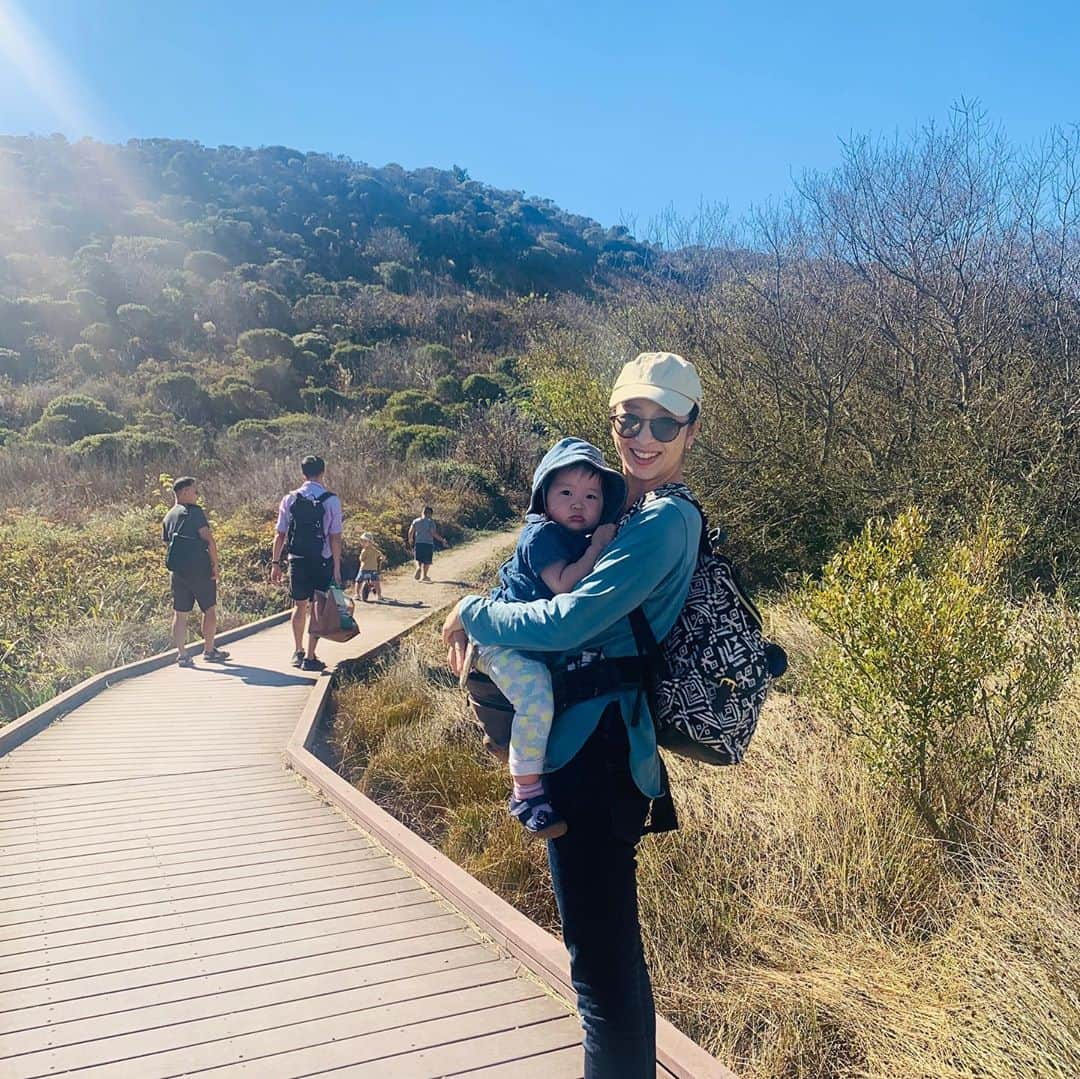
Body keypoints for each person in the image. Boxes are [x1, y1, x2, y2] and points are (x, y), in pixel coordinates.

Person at [443, 352, 703, 1078]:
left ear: (691, 429)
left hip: (596, 749)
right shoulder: (632, 513)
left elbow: (566, 619)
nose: (643, 437)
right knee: (607, 958)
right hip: (600, 746)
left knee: (601, 972)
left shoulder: (658, 524)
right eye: (630, 420)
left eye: (663, 422)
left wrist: (471, 609)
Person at [462, 438, 623, 839]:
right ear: (543, 497)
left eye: (591, 496)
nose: (578, 504)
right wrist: (600, 547)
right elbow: (565, 586)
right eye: (565, 493)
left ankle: (510, 746)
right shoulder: (543, 536)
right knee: (535, 693)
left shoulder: (573, 539)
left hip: (527, 638)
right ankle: (525, 793)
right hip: (500, 640)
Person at [270, 455, 343, 672]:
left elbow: (280, 534)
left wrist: (275, 563)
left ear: (303, 474)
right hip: (322, 560)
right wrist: (337, 567)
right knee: (319, 606)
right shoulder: (331, 500)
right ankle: (310, 656)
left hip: (297, 559)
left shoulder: (289, 499)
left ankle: (298, 650)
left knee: (299, 606)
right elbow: (335, 537)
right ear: (323, 472)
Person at [161, 476, 229, 667]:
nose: (197, 494)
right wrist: (215, 565)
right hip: (200, 569)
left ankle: (182, 655)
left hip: (178, 572)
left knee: (180, 614)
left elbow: (168, 546)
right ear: (183, 492)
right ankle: (209, 650)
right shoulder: (195, 512)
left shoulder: (168, 516)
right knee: (209, 609)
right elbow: (209, 540)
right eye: (194, 491)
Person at [407, 506, 447, 581]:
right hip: (428, 543)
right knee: (427, 561)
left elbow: (411, 531)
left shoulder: (416, 521)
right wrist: (442, 540)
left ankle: (418, 568)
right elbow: (433, 533)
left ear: (423, 512)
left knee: (417, 558)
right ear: (430, 514)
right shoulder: (431, 522)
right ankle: (424, 576)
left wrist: (410, 538)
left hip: (418, 542)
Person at [352, 532, 384, 602]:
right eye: (362, 541)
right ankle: (379, 596)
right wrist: (381, 559)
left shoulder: (364, 551)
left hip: (364, 569)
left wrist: (361, 556)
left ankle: (357, 594)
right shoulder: (375, 550)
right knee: (376, 582)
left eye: (365, 541)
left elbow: (361, 559)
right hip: (373, 569)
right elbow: (381, 556)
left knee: (358, 581)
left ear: (370, 542)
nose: (363, 543)